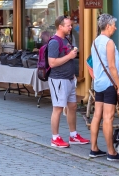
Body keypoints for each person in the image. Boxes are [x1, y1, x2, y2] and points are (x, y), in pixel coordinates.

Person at [48, 15, 89, 149]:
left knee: (72, 106)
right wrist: (70, 56)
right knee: (58, 109)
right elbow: (52, 63)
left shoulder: (66, 39)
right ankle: (55, 138)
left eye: (71, 25)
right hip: (59, 79)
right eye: (68, 25)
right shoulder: (54, 42)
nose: (71, 27)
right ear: (60, 27)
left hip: (69, 79)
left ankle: (73, 135)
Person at [89, 14, 119, 160]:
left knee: (97, 116)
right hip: (109, 84)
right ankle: (111, 152)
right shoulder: (109, 43)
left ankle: (94, 148)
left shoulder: (95, 42)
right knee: (108, 118)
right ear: (108, 26)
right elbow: (112, 67)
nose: (115, 27)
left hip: (99, 84)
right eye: (114, 25)